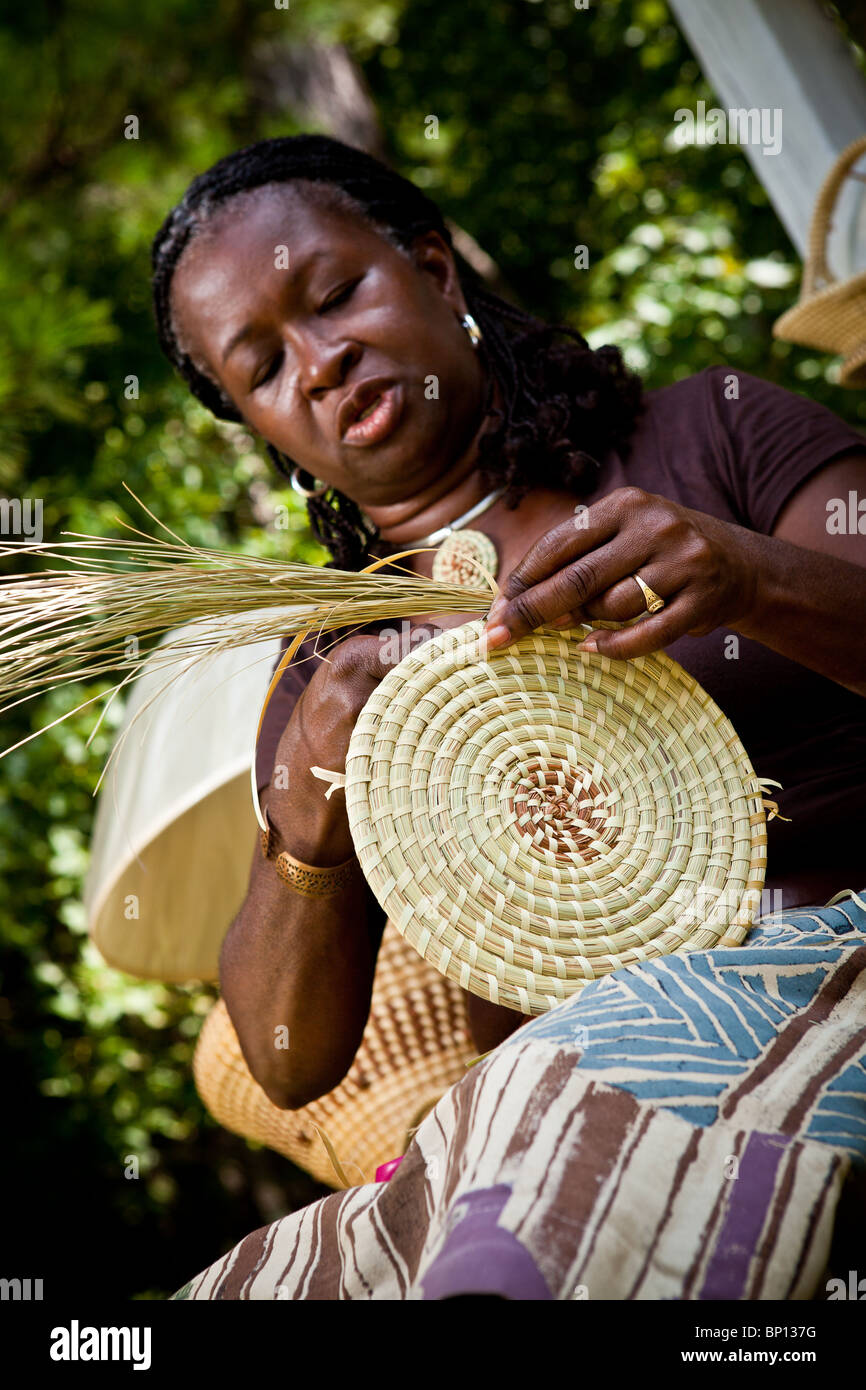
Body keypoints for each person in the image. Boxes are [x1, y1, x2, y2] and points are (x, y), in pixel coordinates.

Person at [151, 133, 866, 1122]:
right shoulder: (330, 662)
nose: (320, 363)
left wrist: (741, 577)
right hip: (588, 1101)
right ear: (261, 430)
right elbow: (287, 1061)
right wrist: (307, 827)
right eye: (266, 366)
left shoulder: (714, 431)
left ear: (435, 272)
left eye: (335, 297)